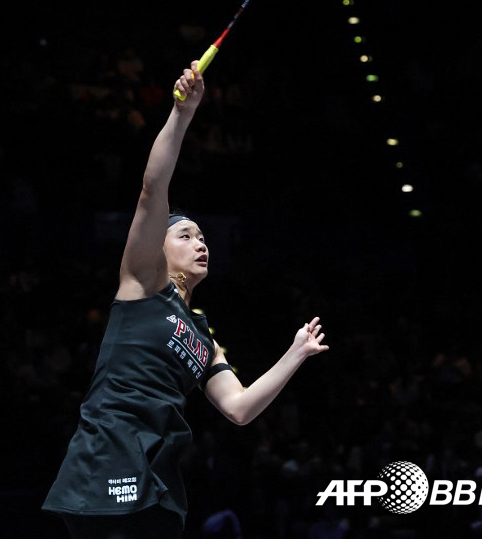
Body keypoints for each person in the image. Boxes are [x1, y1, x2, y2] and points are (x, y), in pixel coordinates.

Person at [42, 61, 329, 538]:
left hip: (161, 475)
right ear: (157, 247)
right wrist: (183, 113)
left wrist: (295, 353)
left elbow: (239, 408)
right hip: (109, 459)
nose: (201, 243)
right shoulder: (142, 284)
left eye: (203, 237)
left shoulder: (203, 335)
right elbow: (152, 189)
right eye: (186, 235)